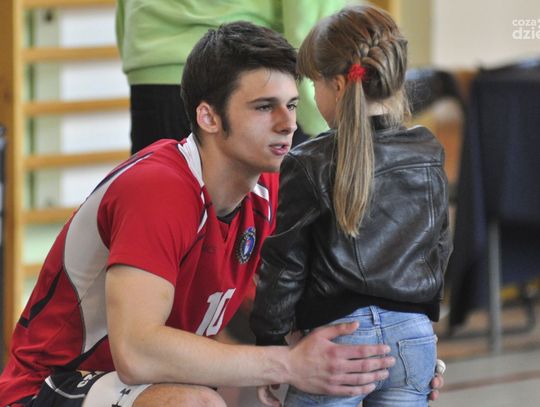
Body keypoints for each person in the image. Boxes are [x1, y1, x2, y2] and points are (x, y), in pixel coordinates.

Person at [0, 21, 400, 407]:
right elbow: (136, 352)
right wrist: (286, 362)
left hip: (144, 387)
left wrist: (398, 353)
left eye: (292, 105)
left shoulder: (272, 187)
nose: (288, 124)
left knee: (321, 380)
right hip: (50, 387)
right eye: (264, 107)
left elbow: (294, 307)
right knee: (201, 401)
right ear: (209, 117)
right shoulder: (157, 189)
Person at [250, 5, 452, 407]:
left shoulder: (307, 161)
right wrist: (415, 327)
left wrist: (270, 345)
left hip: (338, 340)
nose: (313, 96)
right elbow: (439, 246)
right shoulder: (428, 150)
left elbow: (285, 263)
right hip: (413, 338)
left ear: (339, 85)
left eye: (314, 84)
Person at [115, 0, 349, 153]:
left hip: (154, 66)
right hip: (250, 71)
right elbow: (310, 26)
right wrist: (326, 128)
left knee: (160, 205)